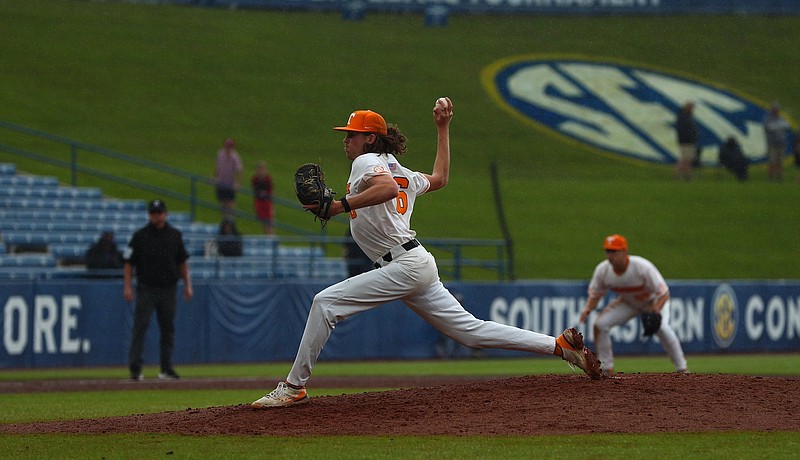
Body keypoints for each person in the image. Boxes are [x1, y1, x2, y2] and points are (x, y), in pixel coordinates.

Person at [251, 100, 601, 409]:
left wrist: (340, 206)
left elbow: (385, 188)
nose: (346, 139)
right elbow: (441, 177)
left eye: (352, 134)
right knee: (471, 332)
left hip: (402, 264)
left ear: (370, 139)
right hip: (414, 263)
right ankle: (559, 346)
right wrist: (443, 128)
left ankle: (294, 387)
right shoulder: (398, 169)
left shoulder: (368, 162)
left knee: (324, 303)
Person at [579, 234, 688, 377]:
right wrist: (588, 309)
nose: (610, 255)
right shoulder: (603, 270)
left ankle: (683, 369)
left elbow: (664, 293)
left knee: (663, 328)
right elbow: (595, 295)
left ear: (624, 252)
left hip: (653, 302)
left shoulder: (642, 267)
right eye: (608, 251)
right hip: (629, 303)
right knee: (600, 324)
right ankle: (606, 368)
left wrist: (656, 310)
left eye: (614, 251)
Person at [123, 199, 193, 381]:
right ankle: (135, 369)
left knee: (168, 328)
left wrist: (188, 285)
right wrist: (128, 286)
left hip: (168, 288)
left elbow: (182, 262)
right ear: (149, 215)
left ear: (165, 214)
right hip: (146, 288)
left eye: (159, 212)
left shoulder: (175, 235)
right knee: (140, 327)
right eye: (153, 213)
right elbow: (129, 263)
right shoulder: (140, 236)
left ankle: (166, 368)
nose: (156, 216)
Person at [214, 138, 243, 220]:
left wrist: (238, 183)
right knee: (222, 204)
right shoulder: (220, 154)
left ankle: (230, 223)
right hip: (221, 182)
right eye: (227, 146)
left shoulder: (235, 156)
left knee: (230, 204)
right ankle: (224, 221)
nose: (228, 148)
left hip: (230, 183)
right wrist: (215, 177)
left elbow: (240, 170)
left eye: (230, 146)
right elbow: (217, 167)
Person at [763, 101, 791, 181]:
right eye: (775, 108)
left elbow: (786, 125)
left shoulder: (780, 118)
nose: (776, 110)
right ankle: (771, 177)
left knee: (780, 161)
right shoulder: (768, 118)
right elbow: (769, 127)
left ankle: (779, 176)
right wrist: (779, 126)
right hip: (772, 143)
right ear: (772, 109)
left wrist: (778, 126)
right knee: (772, 161)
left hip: (781, 143)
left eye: (777, 108)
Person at [674, 101, 699, 180]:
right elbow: (682, 130)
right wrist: (690, 136)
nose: (692, 109)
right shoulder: (683, 117)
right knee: (684, 159)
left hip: (689, 141)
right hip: (686, 141)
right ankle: (677, 175)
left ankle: (687, 175)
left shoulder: (687, 116)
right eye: (691, 107)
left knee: (688, 159)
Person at [251, 160, 274, 235]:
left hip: (267, 202)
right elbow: (255, 190)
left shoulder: (268, 179)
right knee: (264, 221)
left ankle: (270, 235)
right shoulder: (255, 179)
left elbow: (271, 191)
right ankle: (267, 235)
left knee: (269, 220)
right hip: (259, 202)